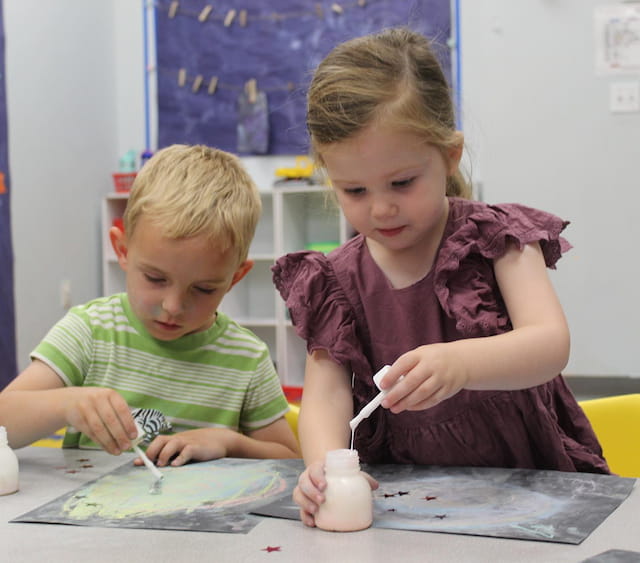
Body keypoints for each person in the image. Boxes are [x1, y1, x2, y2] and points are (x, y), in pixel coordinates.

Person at [271, 27, 608, 527]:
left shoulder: (497, 240)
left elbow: (550, 344)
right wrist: (323, 466)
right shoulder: (334, 281)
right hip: (403, 501)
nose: (381, 207)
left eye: (402, 182)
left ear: (449, 156)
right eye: (355, 190)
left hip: (525, 486)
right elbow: (325, 394)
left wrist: (463, 363)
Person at [0, 144, 299, 466]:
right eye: (156, 279)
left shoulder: (247, 359)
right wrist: (65, 404)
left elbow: (290, 459)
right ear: (123, 251)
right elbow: (5, 421)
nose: (173, 306)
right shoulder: (89, 332)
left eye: (203, 289)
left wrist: (228, 442)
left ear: (235, 278)